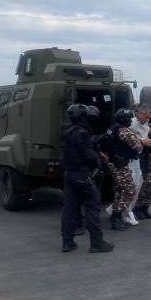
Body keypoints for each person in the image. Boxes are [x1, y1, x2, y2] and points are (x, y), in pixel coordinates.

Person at [61, 104, 114, 253]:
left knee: (69, 209)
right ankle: (97, 243)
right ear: (83, 117)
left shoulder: (67, 132)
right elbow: (88, 154)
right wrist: (98, 158)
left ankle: (67, 242)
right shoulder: (82, 133)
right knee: (93, 206)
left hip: (69, 174)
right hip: (82, 174)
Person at [109, 108, 144, 231]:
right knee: (129, 191)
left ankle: (115, 216)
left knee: (119, 192)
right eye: (129, 119)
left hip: (114, 164)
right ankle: (116, 216)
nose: (130, 121)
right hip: (122, 166)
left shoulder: (112, 129)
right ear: (124, 120)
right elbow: (138, 147)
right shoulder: (125, 132)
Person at [126, 104, 151, 225]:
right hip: (129, 158)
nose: (148, 120)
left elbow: (144, 132)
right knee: (130, 186)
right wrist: (143, 141)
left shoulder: (144, 123)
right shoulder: (132, 122)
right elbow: (126, 137)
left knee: (134, 185)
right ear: (139, 114)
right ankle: (127, 212)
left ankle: (121, 210)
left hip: (137, 157)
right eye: (146, 117)